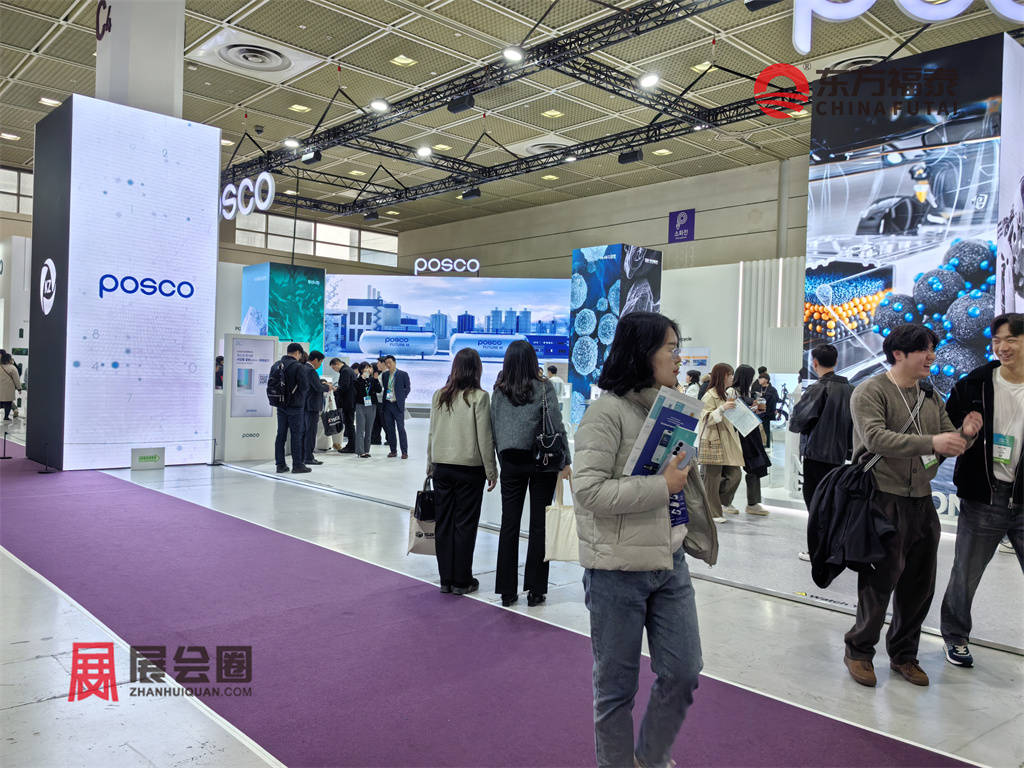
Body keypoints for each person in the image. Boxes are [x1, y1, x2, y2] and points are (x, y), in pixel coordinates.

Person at [573, 311, 716, 768]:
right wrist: (662, 486)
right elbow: (588, 491)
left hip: (670, 563)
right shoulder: (605, 413)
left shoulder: (673, 408)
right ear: (642, 352)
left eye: (679, 348)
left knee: (684, 671)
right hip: (616, 570)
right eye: (671, 348)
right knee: (616, 689)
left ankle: (651, 757)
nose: (679, 358)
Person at [844, 324, 982, 688]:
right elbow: (876, 438)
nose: (931, 356)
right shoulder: (870, 391)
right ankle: (859, 651)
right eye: (924, 349)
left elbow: (948, 437)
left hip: (922, 501)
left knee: (919, 586)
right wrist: (932, 442)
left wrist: (965, 434)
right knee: (879, 582)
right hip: (882, 498)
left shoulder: (929, 395)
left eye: (933, 349)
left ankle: (904, 655)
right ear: (899, 354)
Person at [940, 313, 1024, 668]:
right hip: (984, 497)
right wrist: (965, 431)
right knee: (964, 573)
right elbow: (946, 430)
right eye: (996, 341)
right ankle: (955, 636)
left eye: (1011, 340)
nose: (1002, 347)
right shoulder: (974, 384)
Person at [490, 340, 570, 607]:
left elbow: (494, 428)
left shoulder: (499, 392)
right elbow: (556, 425)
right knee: (539, 525)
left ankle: (506, 591)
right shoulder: (544, 387)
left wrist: (499, 458)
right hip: (541, 461)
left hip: (510, 462)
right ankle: (536, 590)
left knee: (509, 524)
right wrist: (566, 461)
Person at [427, 348, 498, 596]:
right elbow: (484, 438)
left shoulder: (439, 395)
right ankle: (462, 580)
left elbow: (432, 432)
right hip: (469, 469)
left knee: (443, 523)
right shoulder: (480, 397)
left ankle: (445, 579)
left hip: (442, 467)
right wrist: (492, 470)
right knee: (465, 525)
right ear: (477, 369)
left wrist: (429, 464)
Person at [788, 343, 854, 561]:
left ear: (814, 363)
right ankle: (834, 548)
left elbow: (798, 421)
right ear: (836, 361)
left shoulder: (818, 388)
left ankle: (817, 552)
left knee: (816, 505)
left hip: (817, 454)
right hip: (839, 456)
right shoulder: (850, 389)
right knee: (833, 503)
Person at [698, 363, 743, 522]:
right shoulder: (710, 396)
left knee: (735, 475)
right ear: (722, 376)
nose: (732, 378)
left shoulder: (726, 394)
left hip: (727, 439)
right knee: (712, 478)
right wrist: (722, 409)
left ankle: (715, 501)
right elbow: (704, 418)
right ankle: (713, 512)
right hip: (713, 439)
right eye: (730, 375)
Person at [731, 364, 770, 516]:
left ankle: (752, 503)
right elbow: (732, 412)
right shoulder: (733, 392)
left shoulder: (746, 391)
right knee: (732, 472)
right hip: (740, 434)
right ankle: (725, 502)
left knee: (755, 467)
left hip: (750, 432)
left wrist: (754, 409)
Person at [273, 343, 310, 474]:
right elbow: (305, 387)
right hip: (295, 406)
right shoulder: (298, 366)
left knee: (281, 435)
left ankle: (280, 465)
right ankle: (297, 465)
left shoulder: (276, 365)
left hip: (280, 405)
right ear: (298, 353)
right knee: (296, 436)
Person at [301, 351, 331, 468]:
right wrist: (327, 387)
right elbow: (318, 388)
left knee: (305, 431)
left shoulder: (303, 368)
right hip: (312, 406)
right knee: (311, 432)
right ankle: (309, 457)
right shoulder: (311, 370)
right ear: (315, 360)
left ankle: (304, 456)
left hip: (304, 404)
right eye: (320, 362)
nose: (320, 364)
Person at [381, 355, 411, 459]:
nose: (388, 365)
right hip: (387, 405)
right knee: (390, 429)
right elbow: (385, 388)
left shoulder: (403, 374)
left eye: (390, 362)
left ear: (395, 362)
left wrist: (401, 398)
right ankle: (393, 451)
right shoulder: (385, 375)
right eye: (386, 363)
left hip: (397, 405)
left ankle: (404, 452)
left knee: (401, 429)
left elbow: (407, 388)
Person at [352, 362, 382, 458]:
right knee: (360, 429)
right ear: (361, 370)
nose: (368, 370)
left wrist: (376, 379)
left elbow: (379, 390)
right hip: (360, 405)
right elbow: (359, 392)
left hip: (372, 405)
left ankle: (366, 450)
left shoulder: (372, 380)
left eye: (369, 368)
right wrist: (362, 379)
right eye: (365, 368)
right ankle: (360, 451)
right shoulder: (357, 381)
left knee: (369, 429)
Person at [329, 358, 358, 453]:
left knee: (349, 424)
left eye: (334, 368)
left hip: (347, 402)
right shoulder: (348, 370)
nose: (335, 370)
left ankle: (352, 446)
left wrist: (335, 389)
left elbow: (344, 387)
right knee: (349, 424)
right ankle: (352, 445)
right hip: (350, 401)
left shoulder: (345, 371)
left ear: (337, 364)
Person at [754, 373, 779, 448]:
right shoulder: (758, 388)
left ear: (766, 380)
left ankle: (767, 445)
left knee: (766, 429)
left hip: (768, 413)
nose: (759, 380)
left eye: (761, 378)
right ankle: (760, 445)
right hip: (758, 412)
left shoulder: (772, 389)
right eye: (759, 378)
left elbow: (776, 399)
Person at [1, 352, 22, 421]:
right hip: (8, 389)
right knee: (8, 403)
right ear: (9, 359)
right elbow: (16, 379)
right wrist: (19, 388)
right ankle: (6, 417)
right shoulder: (12, 368)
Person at [371, 358, 387, 445]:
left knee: (384, 421)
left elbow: (386, 389)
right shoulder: (381, 374)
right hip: (378, 401)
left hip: (383, 402)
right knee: (376, 421)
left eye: (378, 363)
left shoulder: (387, 374)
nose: (377, 365)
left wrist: (377, 391)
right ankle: (375, 439)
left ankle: (389, 439)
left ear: (383, 363)